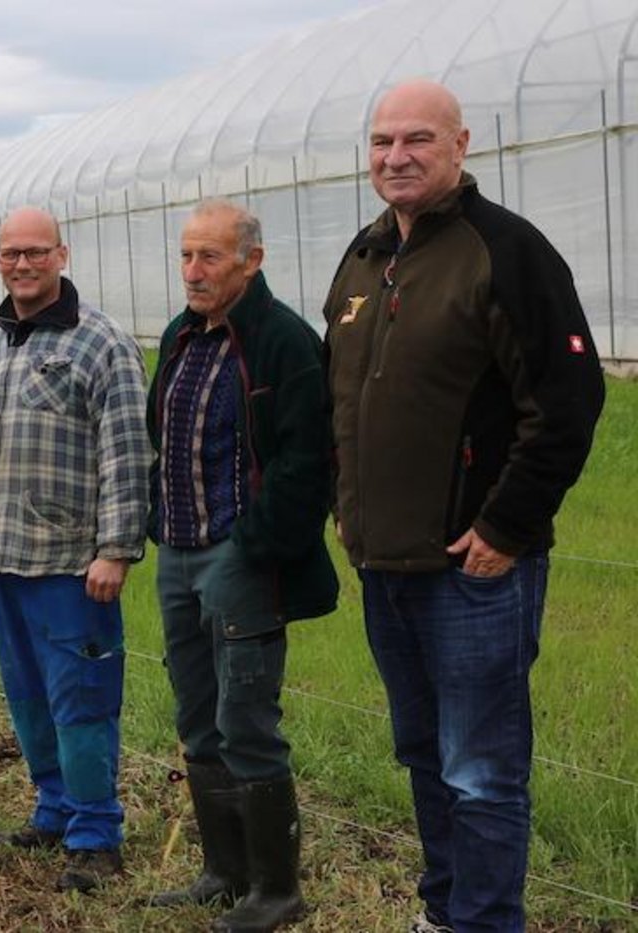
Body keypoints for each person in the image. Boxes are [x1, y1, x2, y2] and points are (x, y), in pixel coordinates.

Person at [324, 79, 606, 933]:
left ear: (460, 144)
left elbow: (567, 401)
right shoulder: (365, 257)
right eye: (382, 141)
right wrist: (346, 503)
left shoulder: (507, 250)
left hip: (473, 571)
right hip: (385, 562)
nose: (396, 156)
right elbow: (340, 397)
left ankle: (484, 922)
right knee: (422, 752)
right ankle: (444, 912)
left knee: (481, 770)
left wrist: (505, 526)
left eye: (417, 138)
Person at [143, 199, 338, 932]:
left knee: (245, 719)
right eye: (186, 255)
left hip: (241, 556)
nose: (193, 271)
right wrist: (159, 525)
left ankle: (276, 890)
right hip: (178, 550)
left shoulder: (283, 340)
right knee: (196, 715)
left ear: (251, 261)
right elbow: (164, 438)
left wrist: (253, 547)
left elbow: (306, 460)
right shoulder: (181, 335)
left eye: (210, 257)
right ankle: (223, 873)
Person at [0, 205, 152, 894]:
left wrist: (116, 549)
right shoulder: (1, 341)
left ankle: (96, 833)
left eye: (36, 251)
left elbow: (128, 454)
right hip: (5, 556)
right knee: (30, 699)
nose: (23, 264)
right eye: (11, 253)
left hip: (71, 565)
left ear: (62, 255)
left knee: (82, 700)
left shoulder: (101, 343)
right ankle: (54, 808)